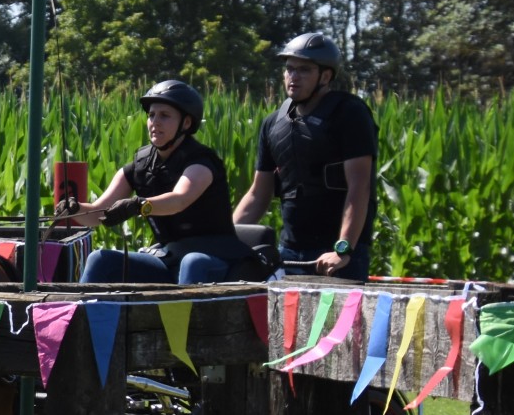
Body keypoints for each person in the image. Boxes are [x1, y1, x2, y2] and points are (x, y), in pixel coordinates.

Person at [58, 79, 251, 284]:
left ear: (186, 123)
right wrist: (75, 209)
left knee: (192, 262)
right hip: (170, 259)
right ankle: (80, 306)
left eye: (164, 115)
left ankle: (185, 307)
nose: (155, 122)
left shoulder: (201, 163)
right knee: (100, 259)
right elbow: (98, 213)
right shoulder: (140, 166)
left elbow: (178, 200)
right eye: (151, 115)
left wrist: (139, 205)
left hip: (218, 258)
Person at [233, 32, 377, 281]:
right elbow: (258, 194)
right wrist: (225, 239)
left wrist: (343, 249)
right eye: (289, 69)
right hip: (289, 251)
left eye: (304, 70)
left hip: (338, 255)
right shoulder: (273, 123)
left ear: (326, 76)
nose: (293, 76)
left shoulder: (349, 113)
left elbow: (359, 187)